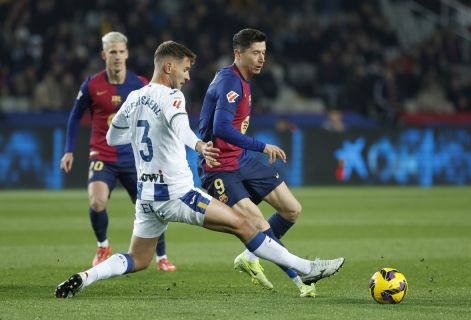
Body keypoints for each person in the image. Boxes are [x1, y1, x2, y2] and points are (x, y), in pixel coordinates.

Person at [55, 40, 344, 299]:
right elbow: (182, 128)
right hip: (176, 194)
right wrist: (199, 146)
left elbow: (111, 138)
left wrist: (138, 132)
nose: (188, 75)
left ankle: (86, 276)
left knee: (138, 259)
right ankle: (306, 268)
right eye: (185, 69)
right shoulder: (172, 97)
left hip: (147, 198)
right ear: (169, 67)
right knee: (244, 224)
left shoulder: (134, 98)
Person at [197, 28, 344, 297]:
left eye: (264, 53)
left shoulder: (242, 79)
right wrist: (262, 146)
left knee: (291, 210)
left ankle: (249, 256)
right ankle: (302, 278)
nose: (261, 58)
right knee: (258, 222)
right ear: (237, 53)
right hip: (219, 167)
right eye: (255, 53)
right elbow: (221, 129)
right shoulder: (229, 83)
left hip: (240, 159)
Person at [60, 31, 176, 271]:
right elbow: (75, 116)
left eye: (121, 51)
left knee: (151, 206)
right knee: (97, 201)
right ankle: (103, 246)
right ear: (104, 54)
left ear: (127, 53)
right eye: (112, 52)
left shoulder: (141, 84)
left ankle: (161, 256)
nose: (117, 56)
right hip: (102, 155)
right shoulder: (92, 85)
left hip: (135, 159)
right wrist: (68, 150)